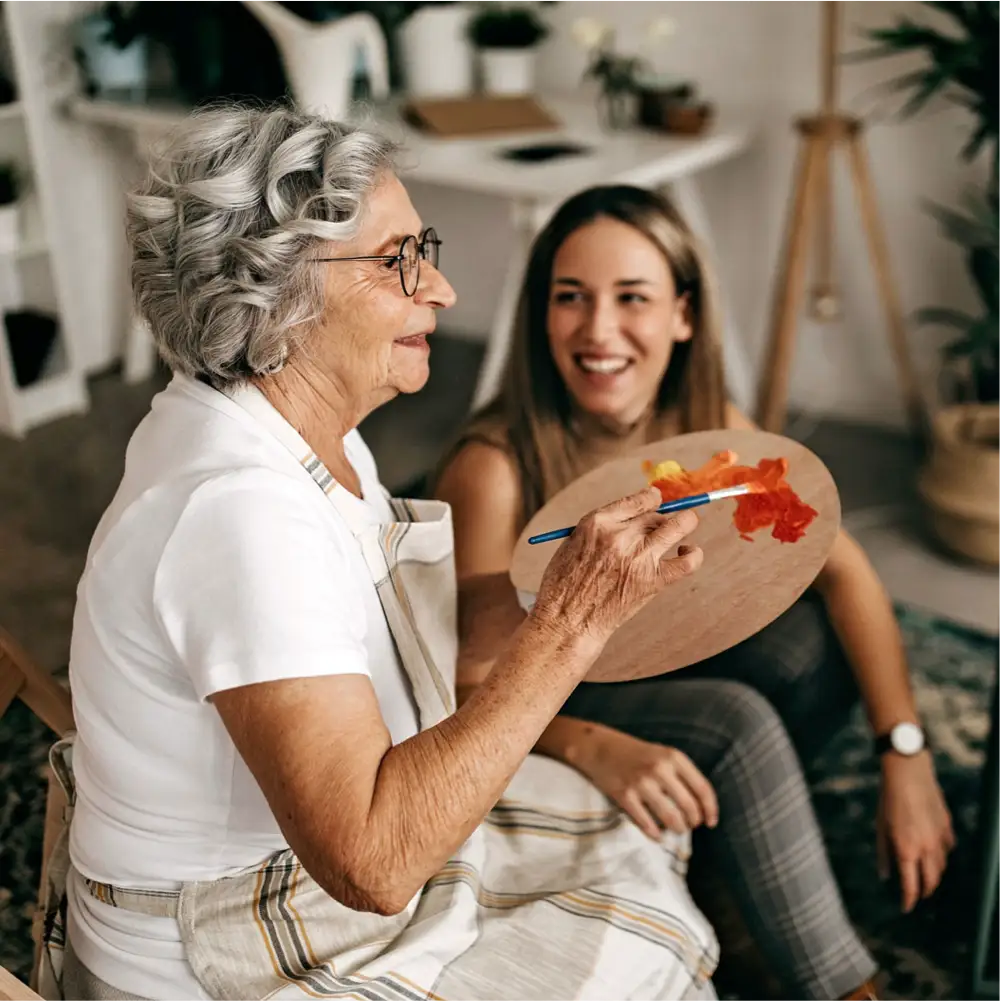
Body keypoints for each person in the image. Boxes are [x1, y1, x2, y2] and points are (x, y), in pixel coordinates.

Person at [51, 109, 722, 1001]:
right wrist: (569, 626)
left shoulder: (299, 426)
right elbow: (373, 864)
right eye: (398, 258)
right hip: (231, 945)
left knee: (629, 848)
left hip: (312, 870)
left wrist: (559, 590)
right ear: (278, 289)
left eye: (425, 247)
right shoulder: (238, 514)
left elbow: (392, 631)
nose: (441, 289)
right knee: (649, 948)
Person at [434, 184, 956, 1001]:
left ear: (683, 314)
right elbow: (459, 684)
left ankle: (719, 854)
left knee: (813, 645)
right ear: (542, 315)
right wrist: (591, 745)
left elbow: (846, 566)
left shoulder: (710, 425)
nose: (598, 329)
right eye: (570, 297)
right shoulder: (493, 467)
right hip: (545, 697)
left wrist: (905, 752)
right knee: (738, 721)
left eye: (631, 297)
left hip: (651, 657)